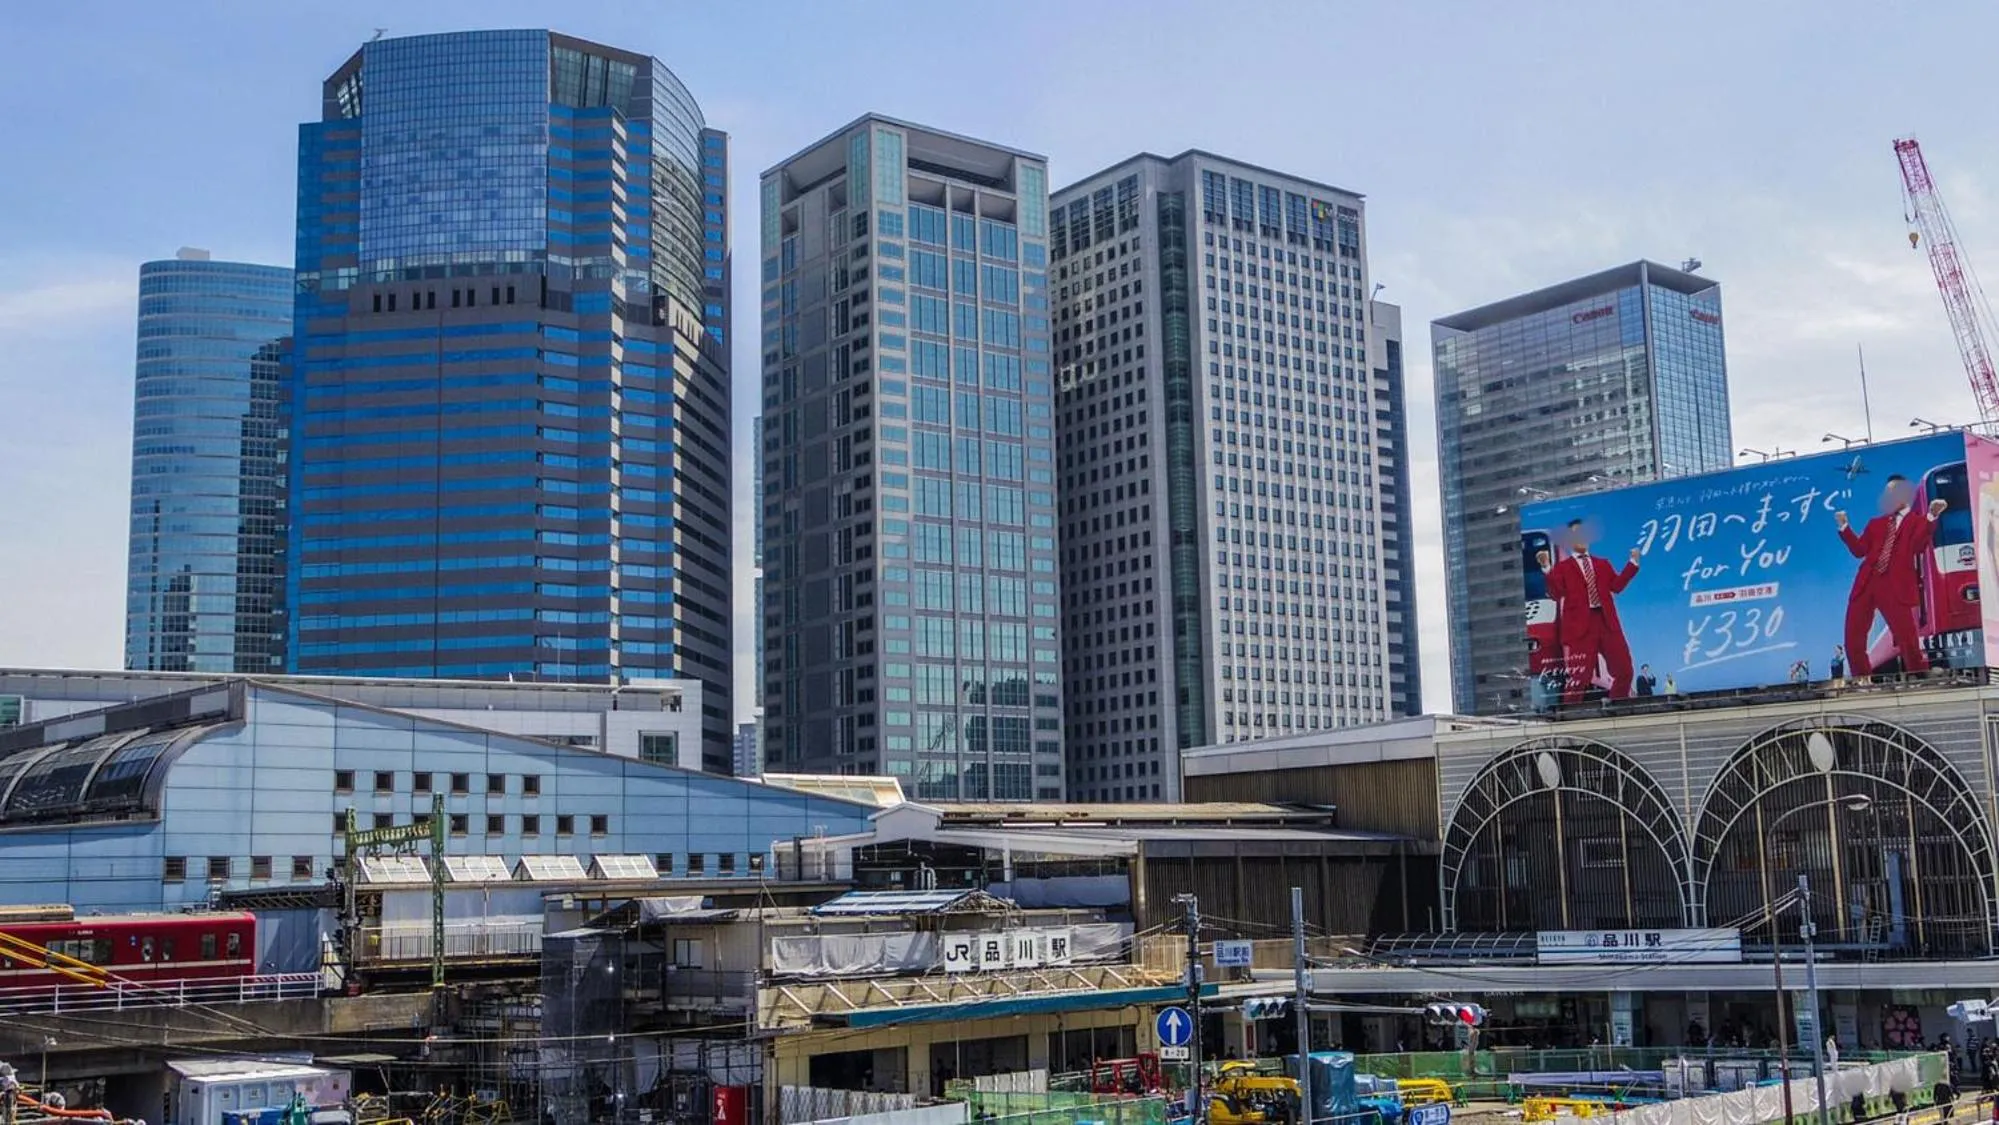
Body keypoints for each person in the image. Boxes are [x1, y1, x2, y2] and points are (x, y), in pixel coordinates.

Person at [1837, 474, 1947, 677]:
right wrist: (1845, 527)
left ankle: (1919, 673)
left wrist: (1932, 516)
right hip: (1866, 582)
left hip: (1895, 584)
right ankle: (1862, 678)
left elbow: (1918, 545)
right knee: (1853, 638)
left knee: (1906, 636)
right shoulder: (1875, 523)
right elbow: (1859, 550)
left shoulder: (1916, 521)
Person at [1537, 519, 1642, 706]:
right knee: (1579, 678)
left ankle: (1617, 706)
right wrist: (1546, 568)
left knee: (1625, 670)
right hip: (1580, 628)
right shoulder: (1563, 568)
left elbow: (1617, 587)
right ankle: (1570, 714)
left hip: (1607, 622)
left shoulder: (1603, 564)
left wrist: (1632, 563)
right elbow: (1556, 593)